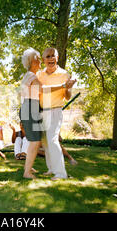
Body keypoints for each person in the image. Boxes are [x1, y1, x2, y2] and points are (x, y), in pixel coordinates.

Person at [38, 47, 77, 180]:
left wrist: (68, 88)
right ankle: (51, 169)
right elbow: (41, 91)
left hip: (55, 110)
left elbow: (67, 96)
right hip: (42, 111)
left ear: (57, 58)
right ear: (43, 60)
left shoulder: (64, 74)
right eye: (47, 56)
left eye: (53, 56)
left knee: (53, 140)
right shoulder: (39, 75)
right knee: (46, 142)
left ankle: (61, 173)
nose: (50, 59)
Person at [19, 48, 44, 179]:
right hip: (30, 108)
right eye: (38, 59)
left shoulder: (27, 76)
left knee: (33, 141)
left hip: (27, 107)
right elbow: (43, 91)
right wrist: (63, 87)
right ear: (32, 61)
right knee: (35, 141)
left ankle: (28, 167)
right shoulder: (32, 76)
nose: (40, 61)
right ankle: (27, 172)